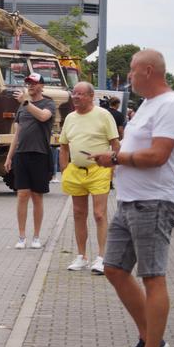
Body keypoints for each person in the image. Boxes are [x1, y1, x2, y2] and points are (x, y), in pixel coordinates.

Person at [91, 49, 174, 347]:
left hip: (154, 202)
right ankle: (151, 336)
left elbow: (158, 155)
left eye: (132, 71)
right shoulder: (148, 105)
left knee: (153, 276)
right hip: (131, 200)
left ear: (148, 71)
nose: (128, 77)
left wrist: (116, 159)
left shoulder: (170, 106)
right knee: (114, 269)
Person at [59, 82, 120, 274]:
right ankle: (81, 256)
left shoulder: (104, 115)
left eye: (80, 94)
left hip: (99, 169)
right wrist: (64, 169)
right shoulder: (70, 117)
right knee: (78, 213)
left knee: (99, 214)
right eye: (74, 94)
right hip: (76, 171)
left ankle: (102, 258)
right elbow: (63, 146)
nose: (75, 97)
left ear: (91, 96)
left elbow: (115, 143)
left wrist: (113, 166)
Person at [4, 73, 56, 249]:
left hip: (40, 154)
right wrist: (9, 156)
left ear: (42, 85)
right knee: (22, 195)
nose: (30, 86)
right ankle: (21, 236)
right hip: (22, 154)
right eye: (28, 83)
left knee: (37, 197)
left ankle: (36, 236)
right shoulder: (22, 108)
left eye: (34, 83)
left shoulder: (48, 103)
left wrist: (26, 103)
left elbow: (43, 117)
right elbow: (17, 134)